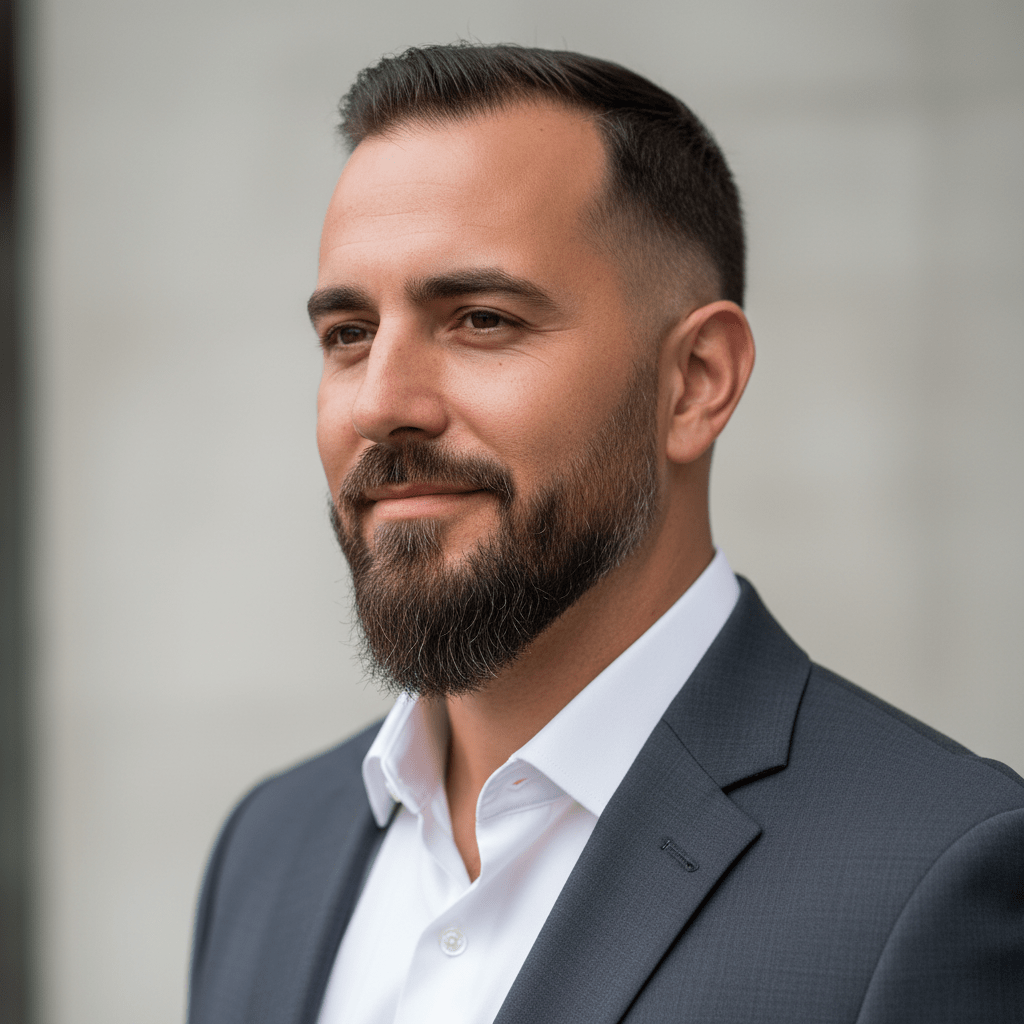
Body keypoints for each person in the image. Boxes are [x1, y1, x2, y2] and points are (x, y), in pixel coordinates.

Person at [186, 44, 1024, 1024]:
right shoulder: (267, 847)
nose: (382, 402)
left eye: (480, 319)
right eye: (348, 334)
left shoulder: (931, 875)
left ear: (695, 381)